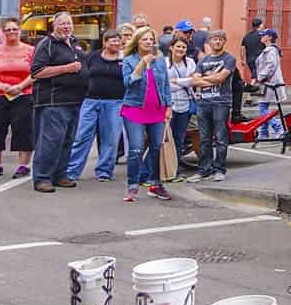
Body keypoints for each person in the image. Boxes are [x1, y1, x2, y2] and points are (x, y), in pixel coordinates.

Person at [29, 11, 89, 193]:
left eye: (69, 23)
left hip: (75, 101)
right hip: (53, 101)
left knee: (67, 140)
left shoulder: (75, 43)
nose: (66, 27)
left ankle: (59, 175)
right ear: (53, 26)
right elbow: (36, 72)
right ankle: (42, 178)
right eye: (62, 23)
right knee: (51, 141)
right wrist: (66, 69)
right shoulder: (46, 44)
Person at [65, 28, 125, 183]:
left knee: (110, 138)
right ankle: (72, 171)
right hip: (90, 100)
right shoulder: (93, 56)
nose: (116, 43)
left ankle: (104, 171)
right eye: (112, 40)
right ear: (105, 42)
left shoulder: (125, 59)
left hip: (115, 102)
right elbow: (83, 74)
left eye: (118, 40)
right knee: (81, 136)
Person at [120, 27, 173, 203]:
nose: (149, 42)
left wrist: (168, 106)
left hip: (157, 110)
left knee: (156, 148)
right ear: (137, 42)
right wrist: (142, 64)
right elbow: (128, 83)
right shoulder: (128, 60)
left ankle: (155, 184)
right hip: (134, 109)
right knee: (135, 149)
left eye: (151, 39)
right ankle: (132, 186)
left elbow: (165, 85)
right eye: (145, 40)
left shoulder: (159, 61)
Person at [0, 17, 35, 179]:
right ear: (2, 33)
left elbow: (36, 72)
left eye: (14, 29)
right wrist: (0, 85)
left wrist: (21, 86)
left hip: (23, 94)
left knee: (23, 129)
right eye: (8, 30)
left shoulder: (30, 50)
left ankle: (23, 166)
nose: (12, 32)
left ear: (20, 31)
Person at [186, 30, 235, 183]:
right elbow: (194, 80)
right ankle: (203, 170)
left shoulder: (229, 58)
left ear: (224, 41)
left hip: (221, 102)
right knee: (204, 138)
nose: (217, 42)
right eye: (214, 39)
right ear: (209, 42)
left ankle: (219, 169)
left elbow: (222, 77)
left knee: (221, 137)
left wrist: (204, 79)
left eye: (221, 39)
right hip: (203, 102)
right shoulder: (203, 60)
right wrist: (211, 80)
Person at [166, 35, 198, 179]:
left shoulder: (190, 62)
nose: (180, 49)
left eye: (183, 47)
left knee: (179, 139)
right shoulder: (164, 63)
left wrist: (176, 81)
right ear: (171, 48)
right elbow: (165, 85)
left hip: (185, 106)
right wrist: (183, 82)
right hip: (168, 106)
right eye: (178, 46)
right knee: (166, 139)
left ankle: (175, 169)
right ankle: (164, 168)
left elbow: (194, 81)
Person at [254, 28, 286, 128]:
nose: (261, 37)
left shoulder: (270, 50)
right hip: (268, 83)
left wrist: (261, 77)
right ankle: (264, 132)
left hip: (269, 83)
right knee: (263, 106)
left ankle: (278, 127)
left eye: (263, 35)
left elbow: (271, 65)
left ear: (269, 38)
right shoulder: (270, 50)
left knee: (263, 108)